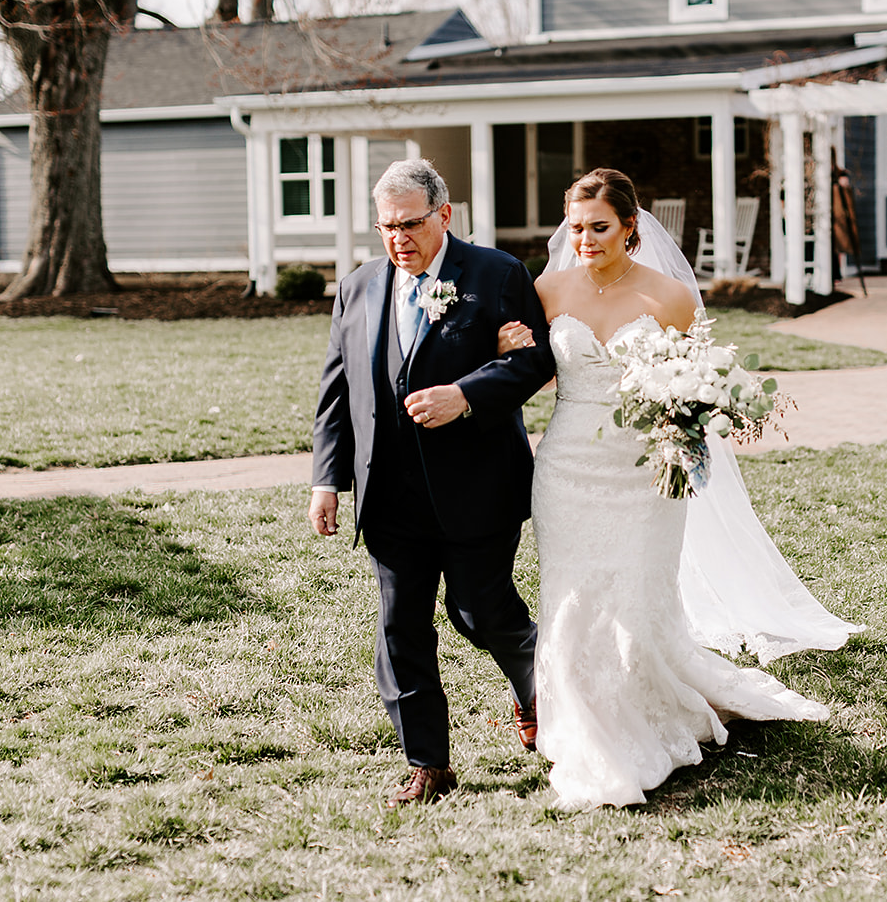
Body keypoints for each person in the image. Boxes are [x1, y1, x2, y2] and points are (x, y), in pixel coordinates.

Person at [499, 168, 859, 809]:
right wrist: (510, 344)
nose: (584, 239)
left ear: (630, 226)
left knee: (637, 597)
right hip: (568, 469)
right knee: (572, 597)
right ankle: (583, 717)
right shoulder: (545, 290)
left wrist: (690, 422)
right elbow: (528, 370)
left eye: (599, 226)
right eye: (576, 227)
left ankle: (647, 703)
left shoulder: (668, 297)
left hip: (644, 474)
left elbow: (697, 381)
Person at [309, 158, 555, 809]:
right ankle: (429, 763)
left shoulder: (496, 275)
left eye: (410, 223)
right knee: (401, 627)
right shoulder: (358, 286)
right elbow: (338, 392)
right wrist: (326, 480)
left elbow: (533, 361)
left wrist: (465, 395)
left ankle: (542, 691)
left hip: (478, 485)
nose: (398, 238)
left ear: (444, 215)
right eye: (386, 226)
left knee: (481, 613)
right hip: (388, 494)